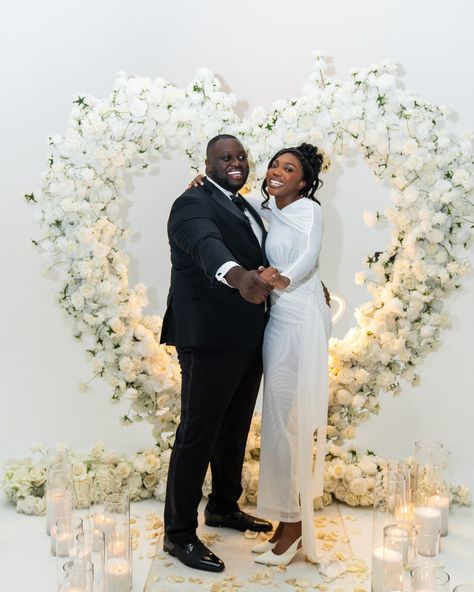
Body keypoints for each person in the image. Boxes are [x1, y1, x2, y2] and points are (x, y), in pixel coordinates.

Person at [190, 142, 331, 567]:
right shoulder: (263, 208)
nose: (276, 172)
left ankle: (295, 532)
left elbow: (307, 256)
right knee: (277, 421)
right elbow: (225, 197)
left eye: (288, 169)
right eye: (274, 164)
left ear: (303, 182)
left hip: (300, 319)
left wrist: (281, 278)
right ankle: (285, 526)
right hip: (275, 320)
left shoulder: (310, 210)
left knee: (291, 422)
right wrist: (199, 183)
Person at [160, 134, 273, 573]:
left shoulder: (245, 205)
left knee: (234, 428)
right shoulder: (192, 203)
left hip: (248, 334)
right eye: (225, 157)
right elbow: (205, 245)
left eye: (241, 156)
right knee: (198, 434)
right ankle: (179, 534)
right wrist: (236, 275)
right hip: (208, 336)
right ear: (206, 163)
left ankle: (223, 506)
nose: (235, 162)